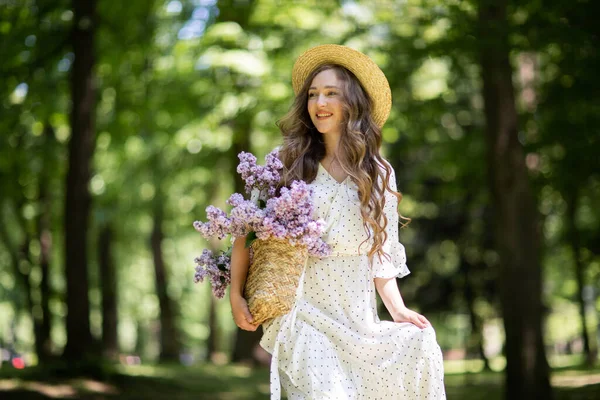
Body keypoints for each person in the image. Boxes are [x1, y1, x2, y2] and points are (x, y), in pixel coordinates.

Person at [229, 44, 446, 399]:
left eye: (331, 93)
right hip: (301, 312)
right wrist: (236, 296)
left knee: (419, 343)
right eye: (313, 94)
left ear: (353, 103)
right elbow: (244, 232)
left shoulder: (379, 174)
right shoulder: (285, 163)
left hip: (357, 316)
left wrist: (398, 308)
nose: (319, 103)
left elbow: (382, 255)